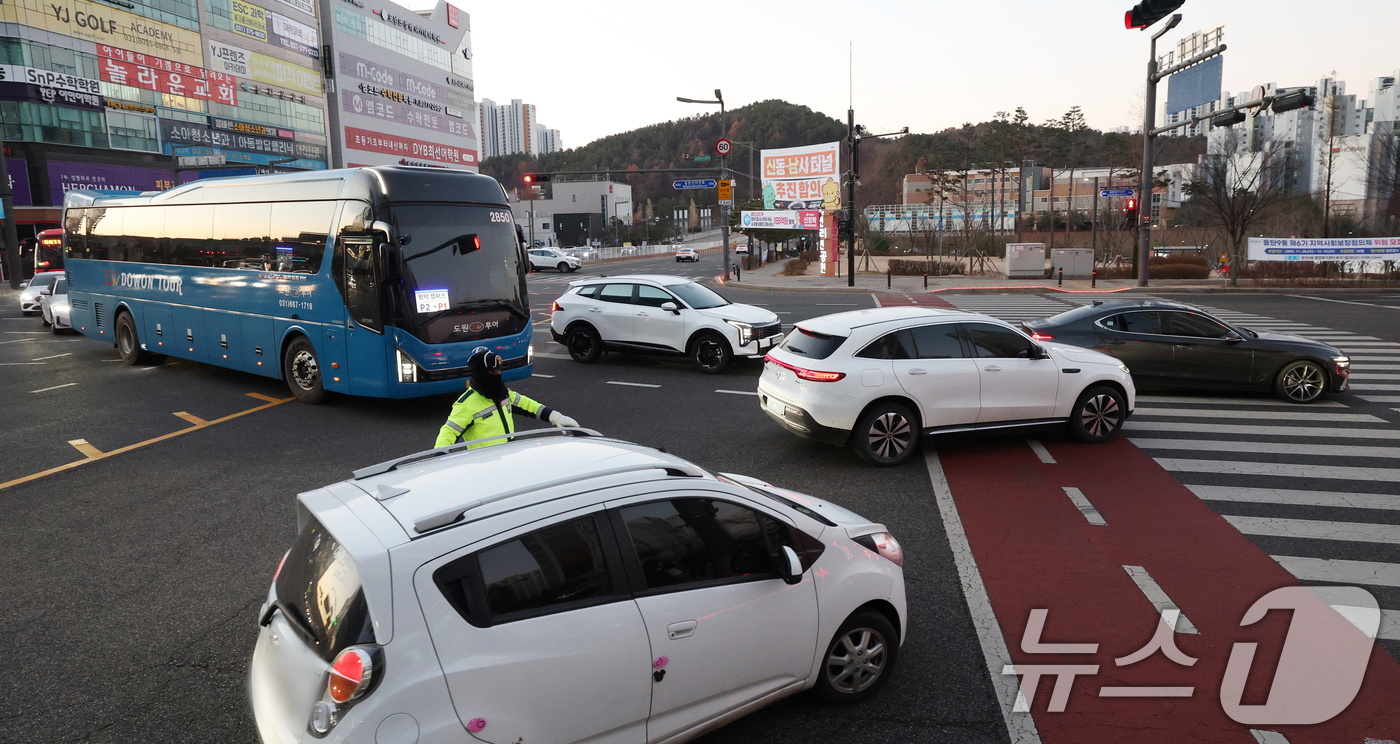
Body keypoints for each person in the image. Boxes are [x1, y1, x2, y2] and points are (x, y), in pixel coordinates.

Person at [435, 347, 578, 449]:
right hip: (485, 464)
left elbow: (527, 405)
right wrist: (439, 458)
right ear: (482, 374)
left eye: (499, 371)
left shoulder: (502, 393)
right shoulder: (466, 403)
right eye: (494, 372)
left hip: (510, 454)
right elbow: (449, 432)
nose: (498, 375)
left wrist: (555, 416)